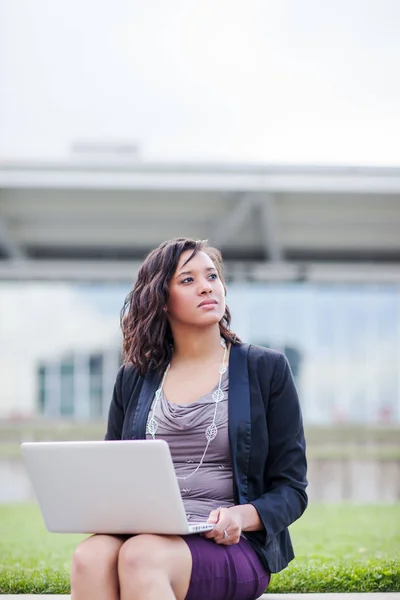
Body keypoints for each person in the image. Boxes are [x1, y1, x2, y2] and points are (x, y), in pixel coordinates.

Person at [70, 237, 308, 600]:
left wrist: (241, 516)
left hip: (231, 544)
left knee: (141, 557)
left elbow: (292, 489)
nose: (206, 287)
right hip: (146, 534)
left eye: (212, 276)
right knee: (89, 556)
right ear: (161, 300)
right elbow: (113, 471)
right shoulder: (134, 377)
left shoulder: (266, 369)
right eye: (188, 280)